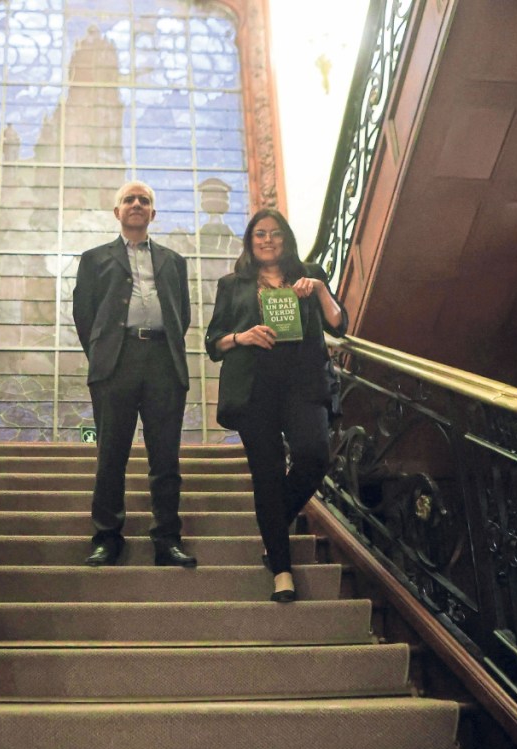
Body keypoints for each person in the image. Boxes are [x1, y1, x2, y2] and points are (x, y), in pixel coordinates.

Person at [204, 208, 347, 602]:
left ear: (286, 237)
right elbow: (213, 342)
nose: (267, 240)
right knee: (266, 475)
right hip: (254, 390)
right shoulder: (233, 284)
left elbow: (339, 324)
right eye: (259, 234)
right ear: (250, 242)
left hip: (303, 385)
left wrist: (318, 290)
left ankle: (273, 525)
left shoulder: (311, 273)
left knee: (314, 454)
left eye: (275, 233)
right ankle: (281, 570)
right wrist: (243, 336)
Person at [73, 180, 196, 568]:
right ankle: (107, 538)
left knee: (165, 458)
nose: (137, 204)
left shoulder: (174, 261)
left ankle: (167, 539)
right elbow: (84, 315)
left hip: (163, 360)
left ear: (153, 214)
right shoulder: (94, 259)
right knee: (111, 455)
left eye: (144, 200)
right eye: (130, 199)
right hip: (116, 362)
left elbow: (183, 315)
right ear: (118, 212)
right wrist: (103, 354)